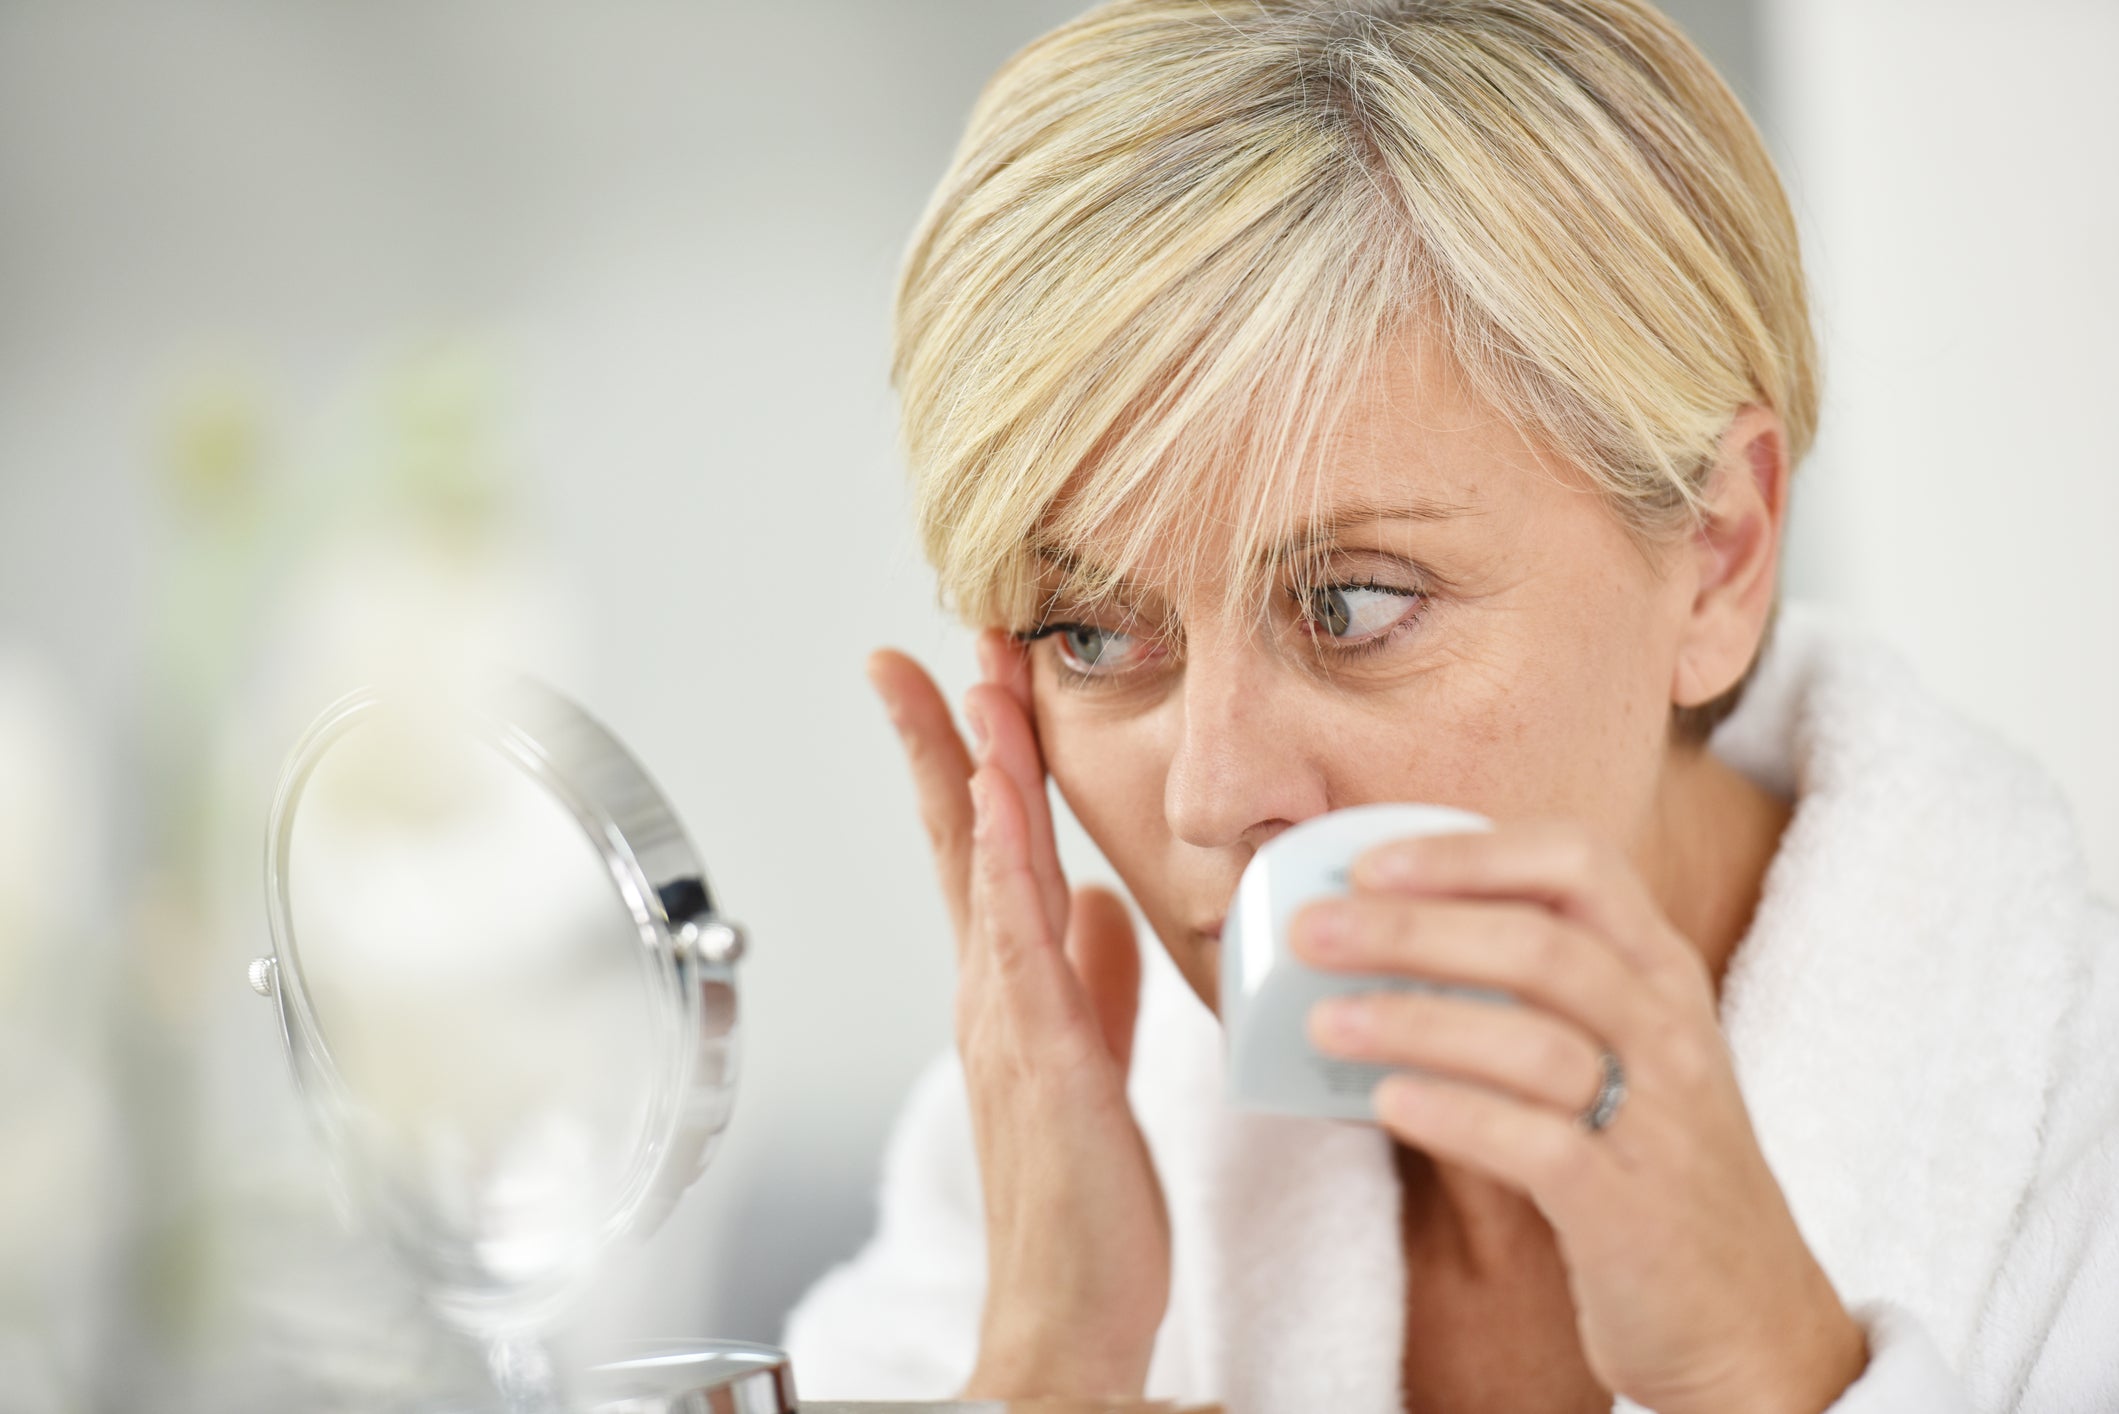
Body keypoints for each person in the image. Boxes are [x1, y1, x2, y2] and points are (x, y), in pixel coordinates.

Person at [783, 2, 2119, 1409]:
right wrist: (1053, 1358)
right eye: (1095, 632)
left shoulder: (2073, 1143)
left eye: (1353, 604)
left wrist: (1774, 1374)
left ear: (1720, 554)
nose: (1210, 795)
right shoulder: (1075, 1133)